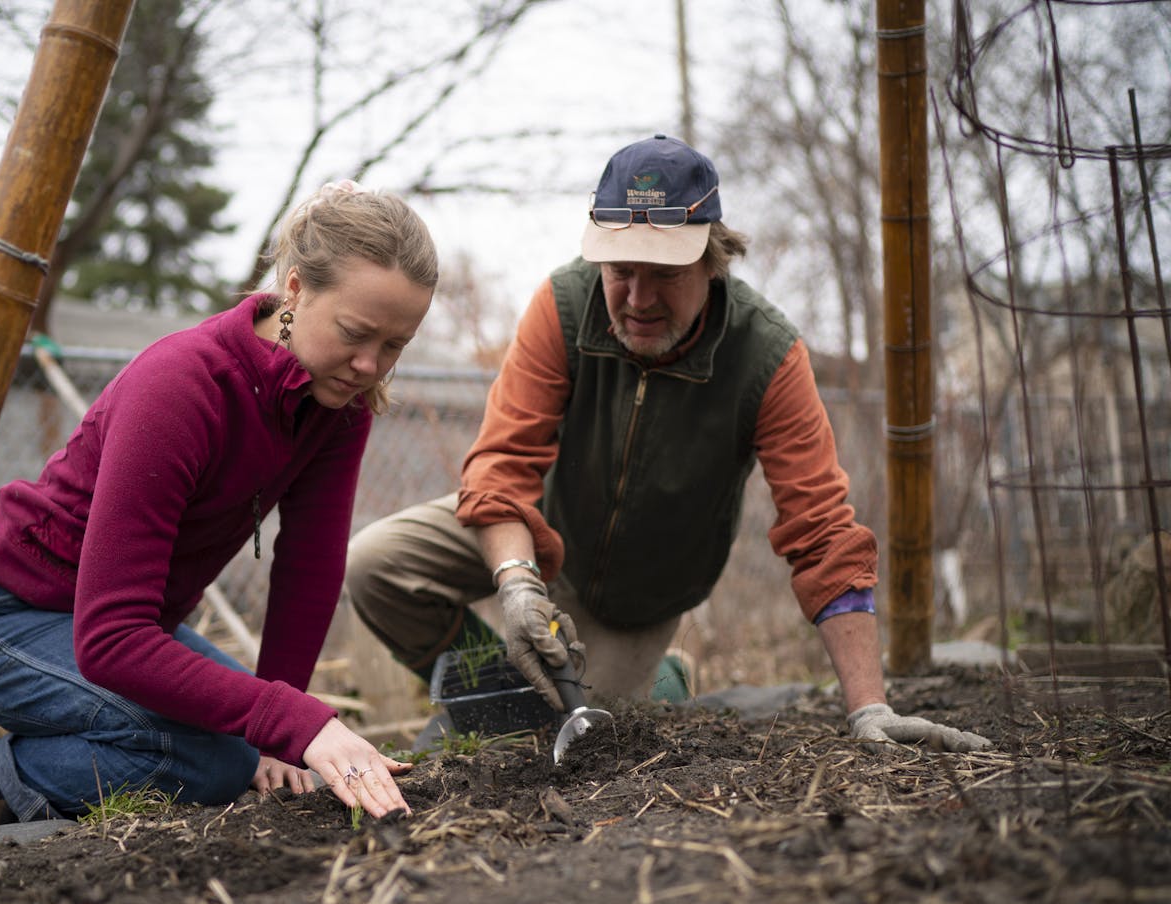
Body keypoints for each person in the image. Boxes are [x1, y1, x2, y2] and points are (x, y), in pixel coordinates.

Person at [345, 136, 990, 754]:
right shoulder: (566, 306)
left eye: (665, 273)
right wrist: (516, 587)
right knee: (374, 565)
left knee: (600, 742)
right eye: (621, 271)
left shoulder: (766, 355)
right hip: (542, 532)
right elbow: (500, 468)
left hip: (640, 596)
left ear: (713, 262)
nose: (638, 299)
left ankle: (654, 684)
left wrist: (869, 708)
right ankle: (503, 700)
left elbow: (820, 531)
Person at [0, 181, 438, 842]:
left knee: (243, 744)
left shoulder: (336, 406)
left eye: (395, 345)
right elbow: (111, 637)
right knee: (212, 760)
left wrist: (286, 734)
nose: (370, 364)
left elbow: (308, 570)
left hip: (124, 629)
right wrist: (290, 719)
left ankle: (48, 789)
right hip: (4, 616)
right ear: (296, 289)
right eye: (355, 332)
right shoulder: (183, 386)